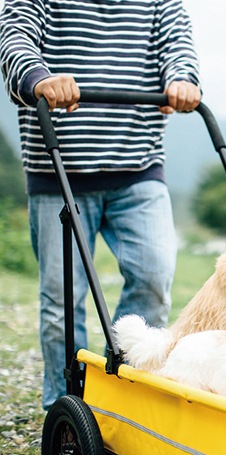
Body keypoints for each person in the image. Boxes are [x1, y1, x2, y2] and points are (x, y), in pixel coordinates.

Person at [0, 0, 201, 410]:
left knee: (154, 277)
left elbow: (178, 46)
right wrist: (39, 78)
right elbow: (14, 36)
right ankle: (67, 406)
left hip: (138, 167)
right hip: (58, 170)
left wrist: (181, 80)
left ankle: (123, 398)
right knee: (61, 301)